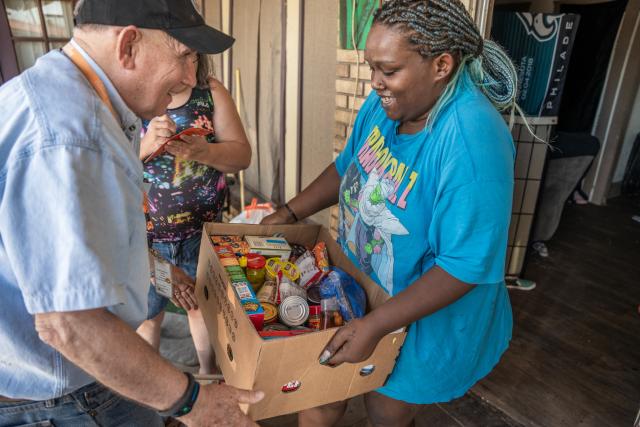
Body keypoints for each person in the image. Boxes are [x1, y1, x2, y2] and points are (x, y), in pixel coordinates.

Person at [0, 0, 262, 426]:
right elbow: (69, 323)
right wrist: (194, 402)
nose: (190, 77)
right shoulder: (71, 138)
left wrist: (157, 270)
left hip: (77, 373)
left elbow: (93, 245)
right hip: (66, 393)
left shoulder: (73, 95)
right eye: (182, 57)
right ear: (128, 46)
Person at [262, 0, 517, 425]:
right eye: (372, 68)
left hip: (420, 319)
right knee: (319, 393)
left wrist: (376, 325)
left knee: (385, 408)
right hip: (362, 293)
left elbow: (465, 265)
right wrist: (289, 212)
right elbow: (350, 165)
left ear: (441, 65)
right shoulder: (389, 103)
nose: (376, 82)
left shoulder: (472, 141)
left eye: (389, 70)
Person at [136, 53, 251, 375]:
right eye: (177, 56)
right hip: (148, 243)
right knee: (149, 314)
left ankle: (207, 375)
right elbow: (106, 174)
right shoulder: (132, 96)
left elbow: (242, 156)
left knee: (200, 307)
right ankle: (153, 387)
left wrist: (206, 151)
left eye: (192, 57)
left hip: (201, 235)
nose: (188, 71)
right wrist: (144, 147)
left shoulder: (210, 92)